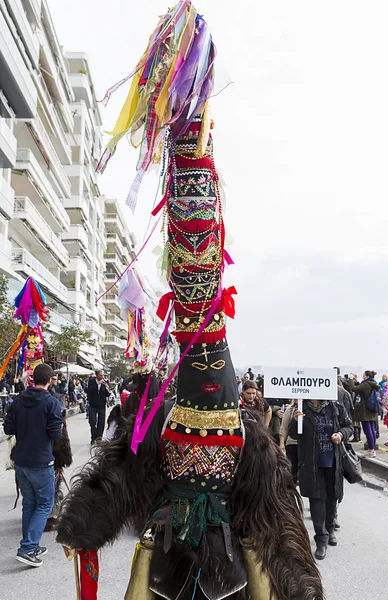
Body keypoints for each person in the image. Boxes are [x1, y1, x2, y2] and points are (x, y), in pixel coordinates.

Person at [55, 16, 323, 597]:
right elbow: (122, 471)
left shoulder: (245, 437)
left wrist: (296, 579)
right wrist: (85, 520)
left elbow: (274, 514)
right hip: (168, 565)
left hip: (223, 568)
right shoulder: (165, 425)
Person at [3, 363, 62, 567]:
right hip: (41, 461)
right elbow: (55, 433)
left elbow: (8, 426)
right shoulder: (51, 403)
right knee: (45, 504)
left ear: (32, 379)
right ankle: (28, 547)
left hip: (21, 461)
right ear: (49, 379)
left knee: (29, 504)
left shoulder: (18, 401)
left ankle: (31, 545)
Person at [289, 398, 353, 560]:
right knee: (317, 499)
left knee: (332, 496)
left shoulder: (336, 408)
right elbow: (294, 434)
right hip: (312, 464)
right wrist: (296, 421)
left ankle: (330, 529)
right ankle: (321, 539)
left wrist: (341, 434)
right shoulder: (301, 409)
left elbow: (349, 427)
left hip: (333, 462)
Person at [349, 370, 380, 457]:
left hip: (365, 411)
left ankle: (371, 450)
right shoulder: (374, 384)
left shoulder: (366, 384)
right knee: (372, 430)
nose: (362, 376)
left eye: (363, 375)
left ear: (366, 376)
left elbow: (353, 388)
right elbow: (361, 387)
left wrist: (351, 379)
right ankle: (372, 449)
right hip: (373, 410)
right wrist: (356, 381)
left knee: (368, 430)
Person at [87, 370, 110, 444]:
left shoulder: (105, 382)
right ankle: (93, 437)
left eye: (103, 375)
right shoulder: (91, 381)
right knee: (92, 421)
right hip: (92, 405)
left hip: (101, 405)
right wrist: (97, 384)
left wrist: (107, 389)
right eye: (100, 375)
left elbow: (107, 394)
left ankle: (99, 438)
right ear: (96, 375)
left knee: (101, 422)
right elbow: (89, 391)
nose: (102, 377)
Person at [279, 400, 298, 484]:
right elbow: (284, 427)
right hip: (292, 443)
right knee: (292, 469)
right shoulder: (290, 410)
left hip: (306, 444)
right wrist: (281, 443)